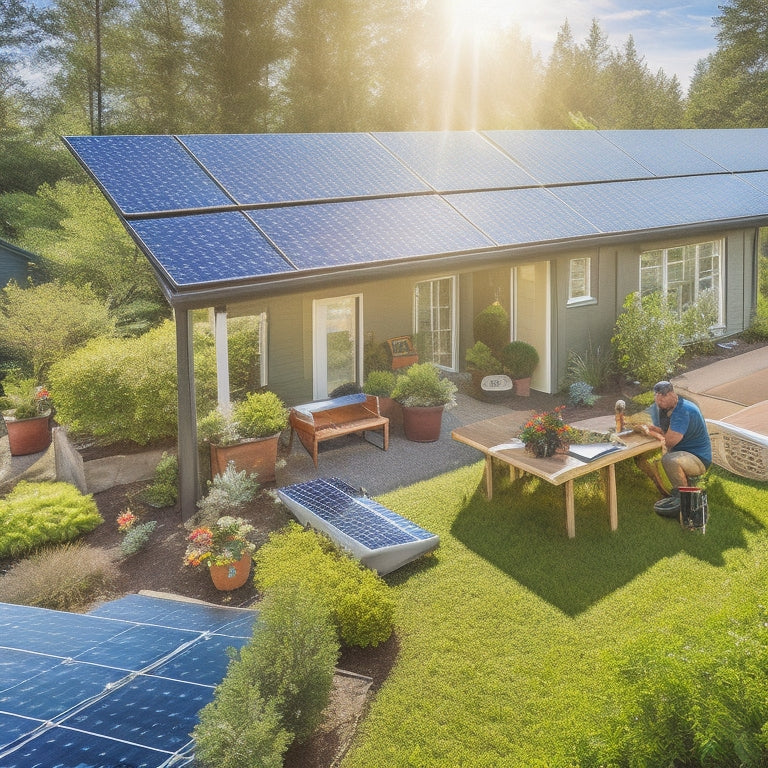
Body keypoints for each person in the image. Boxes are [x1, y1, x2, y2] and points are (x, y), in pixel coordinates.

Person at [637, 380, 712, 517]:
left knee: (669, 460)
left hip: (698, 459)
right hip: (688, 454)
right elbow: (671, 433)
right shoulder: (675, 406)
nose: (659, 402)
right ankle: (678, 494)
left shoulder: (681, 412)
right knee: (658, 460)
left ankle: (684, 501)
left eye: (663, 398)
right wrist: (656, 429)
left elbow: (669, 442)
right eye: (657, 398)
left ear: (672, 394)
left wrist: (648, 432)